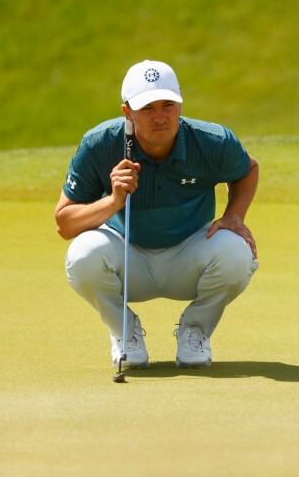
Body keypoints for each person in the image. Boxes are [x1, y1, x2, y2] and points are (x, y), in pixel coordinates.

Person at [55, 60, 259, 370]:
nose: (160, 117)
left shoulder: (211, 141)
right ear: (127, 112)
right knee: (83, 254)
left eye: (168, 105)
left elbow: (248, 169)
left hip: (190, 255)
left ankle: (196, 330)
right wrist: (113, 201)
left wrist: (235, 215)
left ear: (180, 105)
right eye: (148, 108)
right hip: (128, 256)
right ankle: (125, 333)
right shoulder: (100, 143)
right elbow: (64, 223)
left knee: (236, 251)